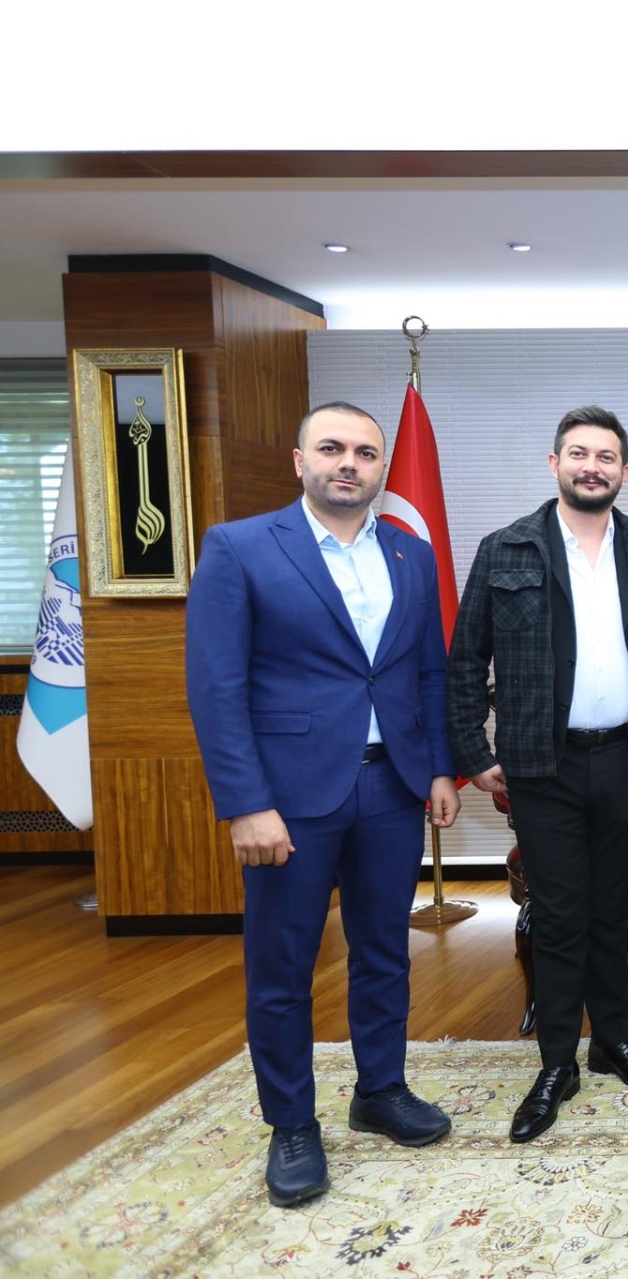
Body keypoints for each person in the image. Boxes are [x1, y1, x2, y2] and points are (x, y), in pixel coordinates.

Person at [186, 401, 460, 1208]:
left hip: (392, 786)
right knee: (283, 965)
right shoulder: (239, 547)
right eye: (333, 448)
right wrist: (246, 803)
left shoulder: (410, 554)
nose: (350, 463)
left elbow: (429, 672)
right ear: (299, 460)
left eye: (366, 452)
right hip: (289, 796)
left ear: (381, 468)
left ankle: (380, 1089)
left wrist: (438, 769)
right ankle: (292, 1123)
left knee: (383, 951)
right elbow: (216, 686)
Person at [446, 405, 628, 1143]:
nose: (592, 467)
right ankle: (556, 1063)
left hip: (627, 760)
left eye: (606, 457)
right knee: (558, 916)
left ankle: (613, 1041)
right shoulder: (506, 548)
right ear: (555, 464)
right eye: (579, 453)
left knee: (611, 908)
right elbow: (464, 659)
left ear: (624, 472)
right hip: (540, 765)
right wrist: (474, 752)